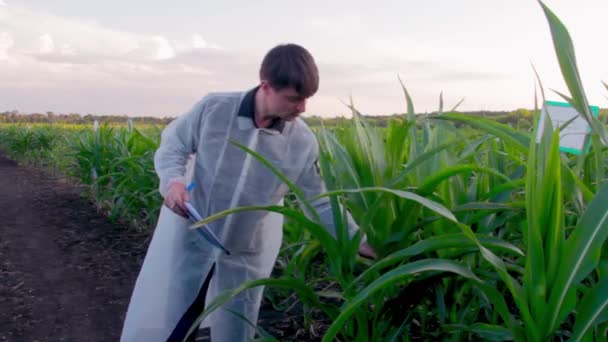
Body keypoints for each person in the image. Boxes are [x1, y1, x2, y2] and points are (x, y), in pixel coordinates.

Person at [120, 43, 376, 342]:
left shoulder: (301, 142)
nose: (303, 108)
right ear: (266, 86)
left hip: (245, 251)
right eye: (294, 99)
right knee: (178, 320)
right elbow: (173, 146)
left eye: (307, 99)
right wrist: (173, 182)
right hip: (194, 238)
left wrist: (360, 241)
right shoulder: (214, 110)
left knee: (236, 328)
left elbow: (317, 201)